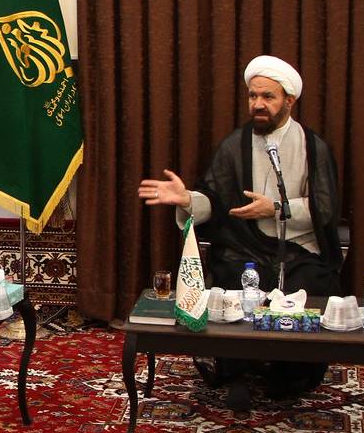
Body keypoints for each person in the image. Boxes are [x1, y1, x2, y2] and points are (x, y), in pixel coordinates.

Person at [138, 55, 344, 410]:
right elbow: (214, 199)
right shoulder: (235, 144)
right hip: (244, 248)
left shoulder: (313, 147)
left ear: (289, 100)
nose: (258, 104)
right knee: (233, 277)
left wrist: (276, 208)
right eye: (253, 96)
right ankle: (237, 374)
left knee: (310, 282)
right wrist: (188, 200)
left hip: (299, 249)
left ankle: (292, 375)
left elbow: (325, 209)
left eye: (268, 97)